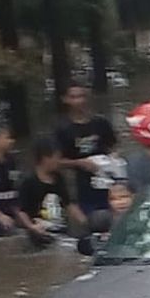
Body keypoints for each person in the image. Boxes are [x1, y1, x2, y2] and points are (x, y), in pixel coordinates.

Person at [54, 82, 123, 222]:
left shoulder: (101, 122)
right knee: (90, 222)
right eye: (73, 97)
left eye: (81, 96)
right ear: (65, 100)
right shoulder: (62, 128)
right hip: (80, 183)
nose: (78, 101)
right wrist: (79, 163)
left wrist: (113, 158)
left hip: (106, 178)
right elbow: (55, 161)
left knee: (116, 218)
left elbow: (114, 145)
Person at [17, 137, 93, 254]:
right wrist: (32, 227)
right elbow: (21, 211)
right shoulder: (28, 182)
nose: (59, 161)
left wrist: (86, 222)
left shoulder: (58, 178)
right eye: (56, 157)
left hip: (61, 232)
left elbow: (68, 204)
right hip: (39, 235)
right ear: (45, 158)